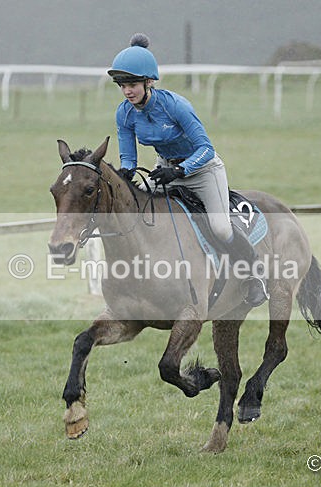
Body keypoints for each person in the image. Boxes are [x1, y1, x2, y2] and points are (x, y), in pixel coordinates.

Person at [108, 33, 268, 307]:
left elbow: (205, 148)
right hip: (165, 169)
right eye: (122, 85)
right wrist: (125, 176)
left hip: (204, 170)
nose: (127, 91)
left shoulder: (176, 106)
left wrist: (180, 171)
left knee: (219, 228)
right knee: (136, 205)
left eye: (132, 84)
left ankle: (254, 277)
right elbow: (128, 157)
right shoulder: (124, 113)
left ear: (149, 82)